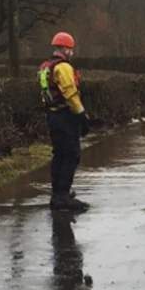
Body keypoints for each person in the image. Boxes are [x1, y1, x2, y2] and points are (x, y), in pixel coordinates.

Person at [38, 32, 90, 211]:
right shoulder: (63, 68)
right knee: (71, 155)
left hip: (53, 116)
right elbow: (70, 93)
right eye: (71, 49)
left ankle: (58, 193)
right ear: (65, 48)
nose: (72, 53)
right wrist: (82, 116)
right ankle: (63, 197)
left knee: (59, 155)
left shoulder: (45, 67)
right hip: (65, 116)